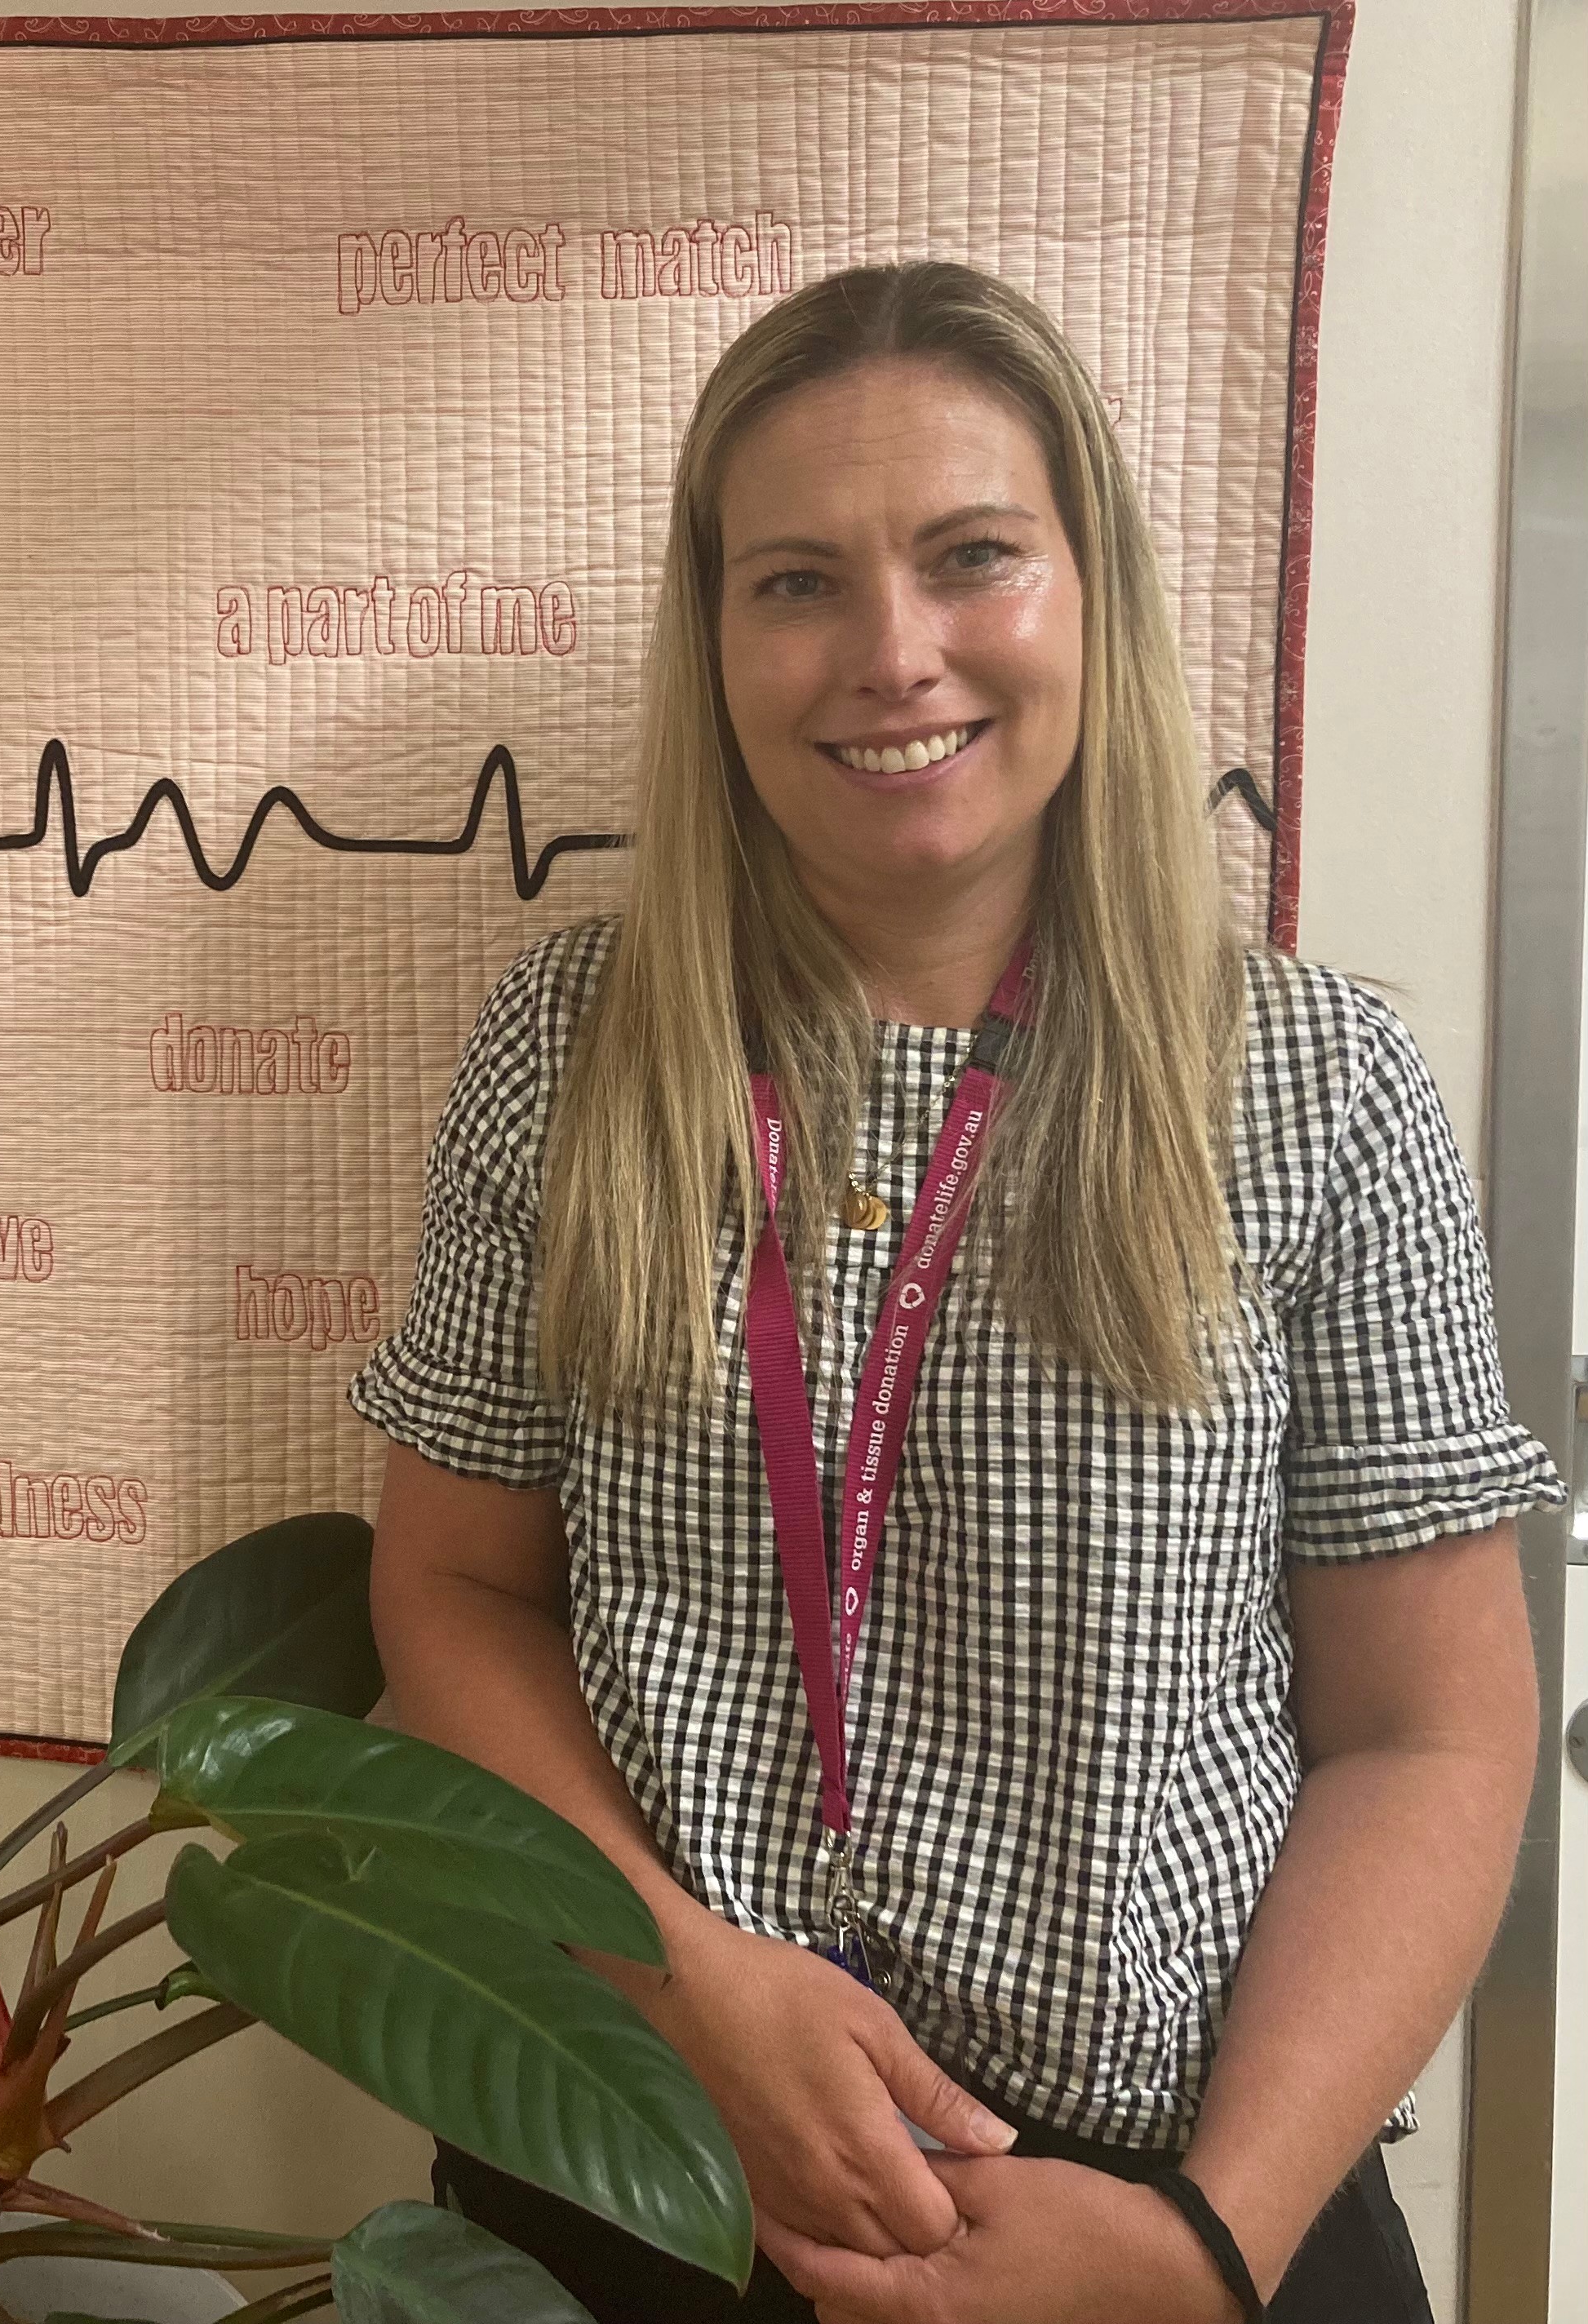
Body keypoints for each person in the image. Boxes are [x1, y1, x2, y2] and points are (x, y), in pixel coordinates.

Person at [346, 259, 1561, 2324]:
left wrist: (1202, 2243)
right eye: (797, 579)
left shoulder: (1317, 1086)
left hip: (1171, 2189)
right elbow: (450, 1590)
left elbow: (1430, 1730)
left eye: (971, 556)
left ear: (1086, 589)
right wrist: (682, 1977)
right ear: (713, 636)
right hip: (646, 2144)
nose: (892, 654)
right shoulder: (569, 1050)